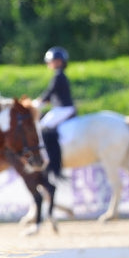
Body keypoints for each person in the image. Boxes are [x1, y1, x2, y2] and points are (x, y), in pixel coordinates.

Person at [33, 46, 76, 178]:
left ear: (58, 62)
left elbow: (48, 94)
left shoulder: (58, 76)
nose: (49, 64)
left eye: (51, 61)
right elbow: (51, 96)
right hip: (60, 108)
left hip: (63, 109)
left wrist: (36, 103)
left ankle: (53, 162)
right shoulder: (59, 76)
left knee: (44, 128)